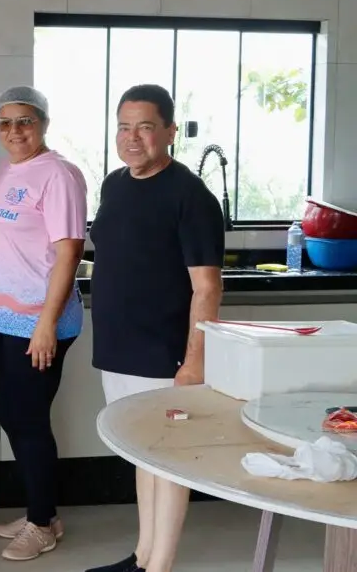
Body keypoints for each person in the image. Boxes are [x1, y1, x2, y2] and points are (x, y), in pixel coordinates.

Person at [87, 84, 224, 572]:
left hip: (165, 354)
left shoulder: (190, 195)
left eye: (145, 127)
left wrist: (194, 362)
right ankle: (142, 557)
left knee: (169, 461)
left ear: (169, 130)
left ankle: (160, 565)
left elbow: (207, 288)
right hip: (119, 349)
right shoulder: (115, 184)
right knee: (141, 454)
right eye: (124, 126)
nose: (132, 138)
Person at [0, 87, 87, 562]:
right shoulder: (8, 168)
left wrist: (45, 324)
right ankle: (41, 511)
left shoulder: (58, 175)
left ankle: (41, 524)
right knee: (11, 416)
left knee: (29, 420)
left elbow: (70, 251)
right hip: (3, 317)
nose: (15, 131)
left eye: (25, 121)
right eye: (5, 123)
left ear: (42, 122)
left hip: (40, 322)